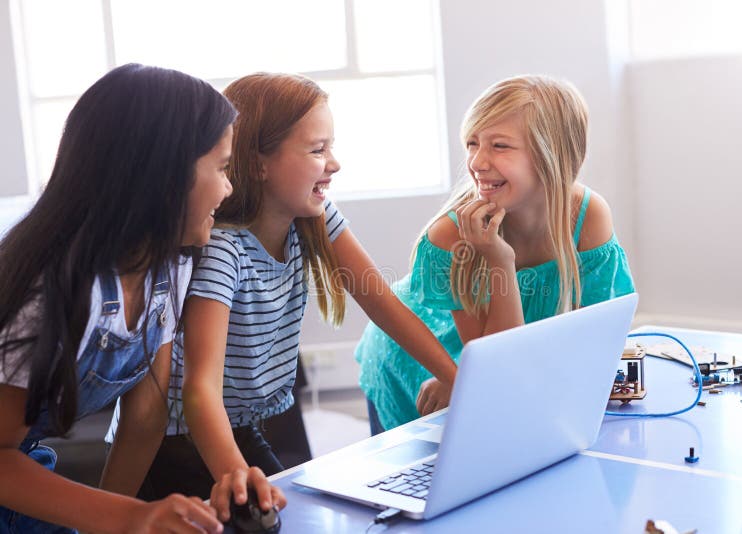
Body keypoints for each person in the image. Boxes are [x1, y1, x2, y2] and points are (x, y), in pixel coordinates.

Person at [117, 72, 457, 519]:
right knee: (272, 517)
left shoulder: (315, 217)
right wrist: (239, 482)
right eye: (318, 150)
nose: (334, 164)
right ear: (258, 163)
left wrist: (454, 376)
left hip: (240, 425)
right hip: (179, 442)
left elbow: (382, 303)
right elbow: (200, 391)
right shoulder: (224, 250)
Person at [0, 63, 239, 534]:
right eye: (222, 167)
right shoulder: (49, 292)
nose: (228, 188)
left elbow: (146, 416)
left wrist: (118, 524)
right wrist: (131, 517)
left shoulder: (171, 265)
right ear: (164, 174)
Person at [356, 74, 636, 433]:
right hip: (419, 361)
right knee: (421, 473)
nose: (477, 161)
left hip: (491, 366)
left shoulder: (587, 217)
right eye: (472, 143)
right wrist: (499, 259)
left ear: (552, 154)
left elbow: (594, 340)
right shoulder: (450, 235)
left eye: (499, 146)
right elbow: (498, 363)